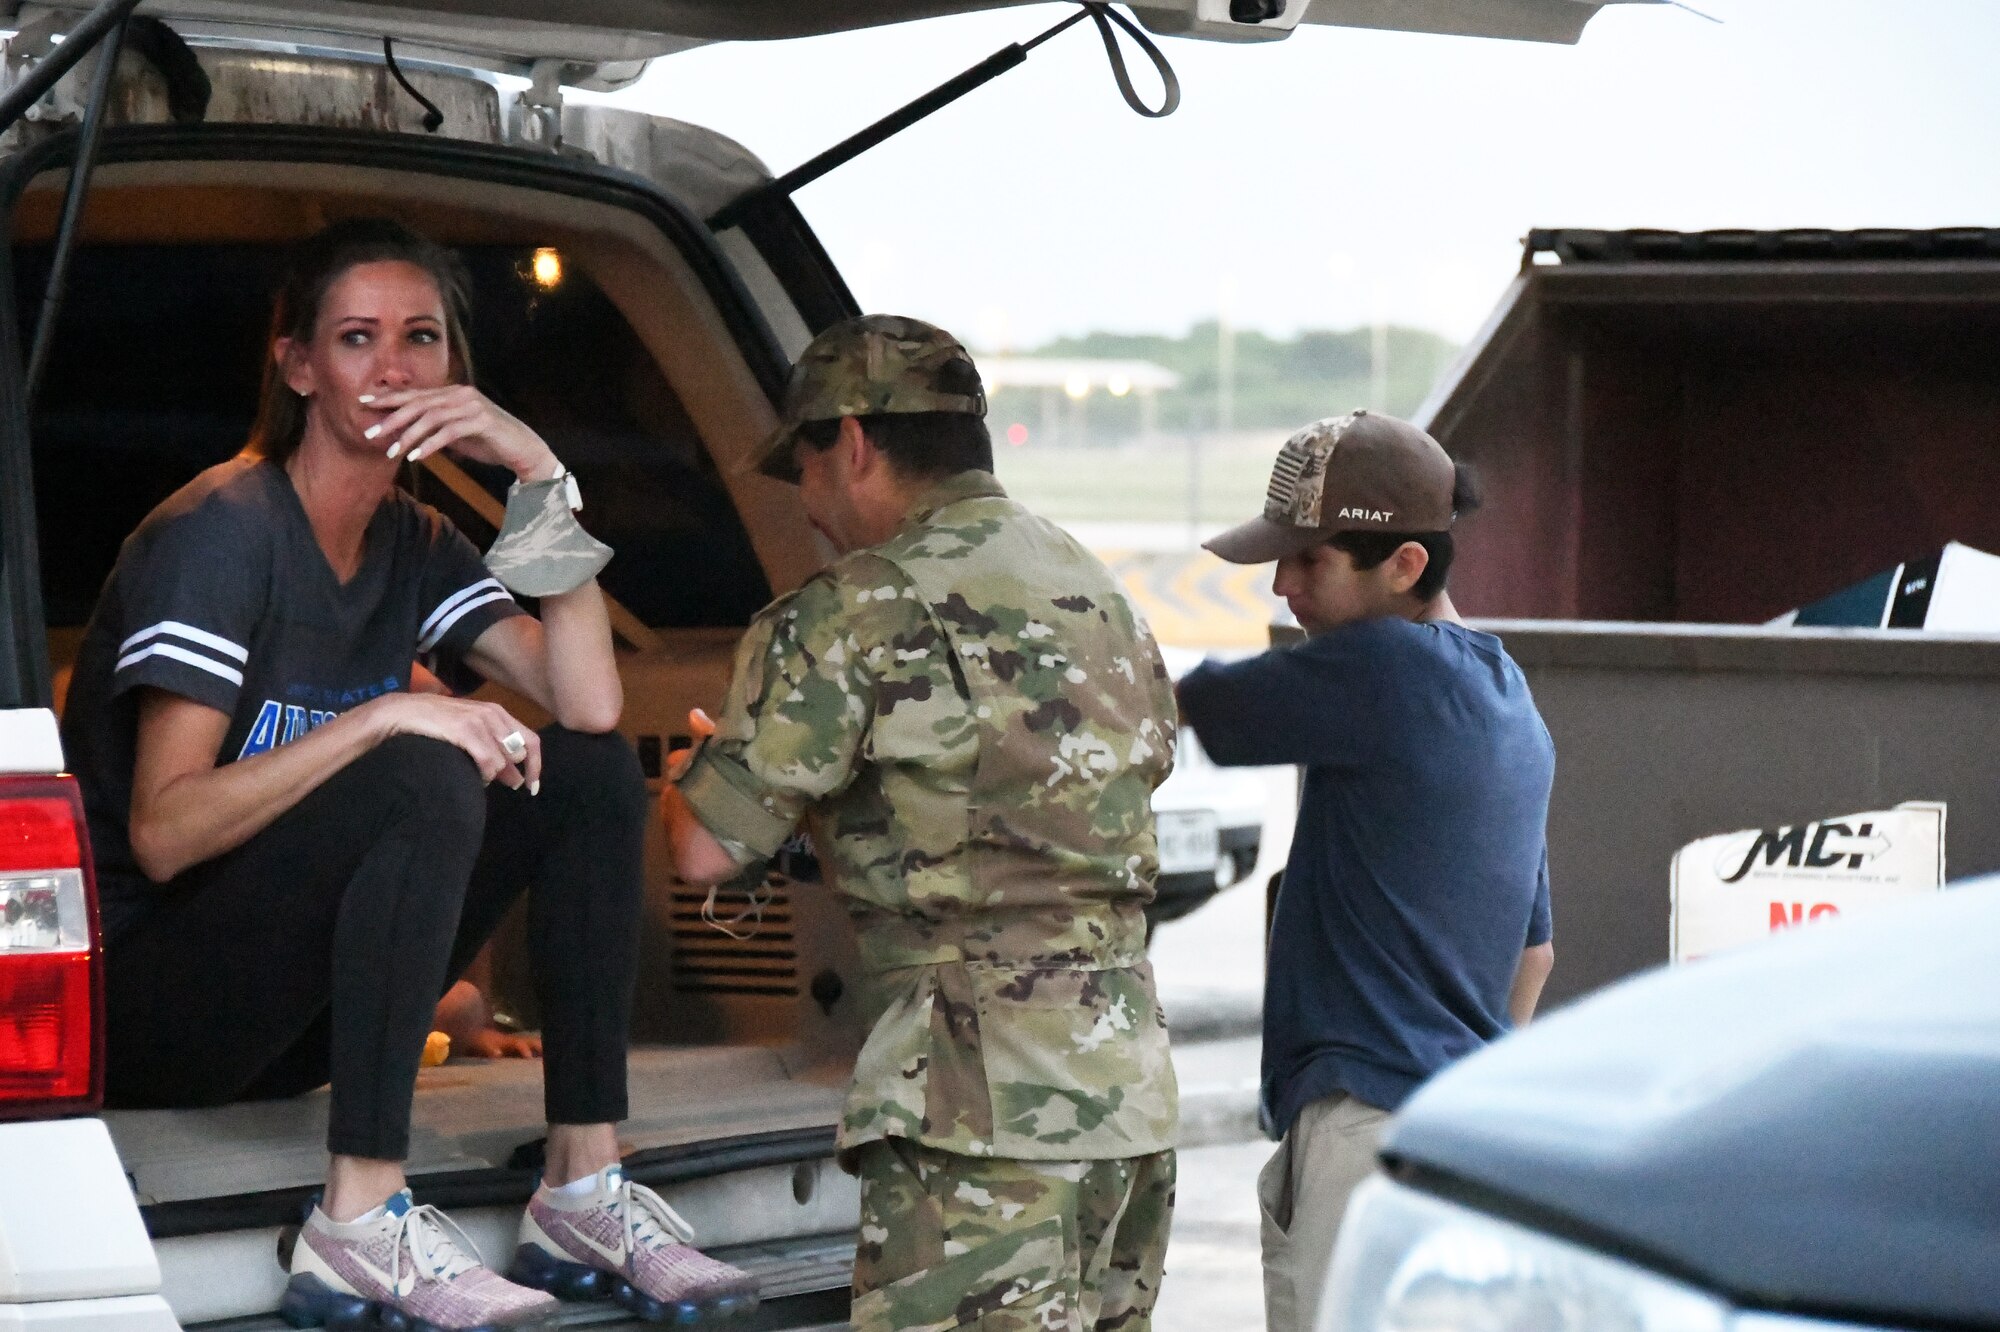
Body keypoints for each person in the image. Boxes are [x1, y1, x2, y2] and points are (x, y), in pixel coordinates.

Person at [60, 218, 754, 1330]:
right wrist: (388, 715)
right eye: (355, 338)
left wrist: (538, 471)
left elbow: (588, 703)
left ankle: (582, 1182)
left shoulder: (415, 540)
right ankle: (359, 1222)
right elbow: (163, 832)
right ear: (296, 365)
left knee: (578, 771)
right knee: (424, 762)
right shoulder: (223, 533)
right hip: (159, 1012)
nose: (393, 367)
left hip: (293, 1023)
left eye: (421, 338)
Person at [659, 315, 1181, 1332]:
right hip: (1126, 1099)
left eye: (801, 472)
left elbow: (703, 849)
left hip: (976, 1112)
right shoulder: (1098, 591)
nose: (805, 507)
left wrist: (703, 774)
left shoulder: (848, 611)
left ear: (850, 444)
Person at [1175, 412, 1556, 1332]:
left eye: (1310, 562)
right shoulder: (1505, 700)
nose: (1281, 585)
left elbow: (1187, 702)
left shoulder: (1383, 669)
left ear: (1407, 567)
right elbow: (1533, 956)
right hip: (1440, 1129)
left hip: (1365, 1123)